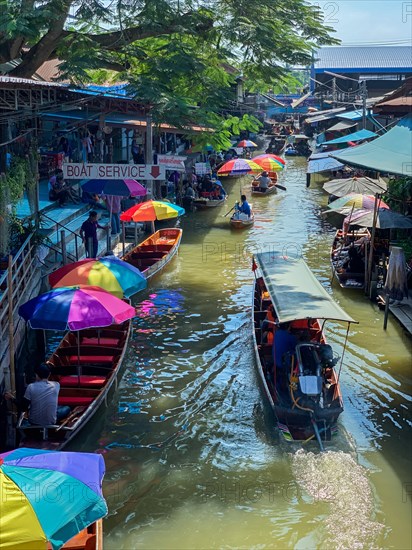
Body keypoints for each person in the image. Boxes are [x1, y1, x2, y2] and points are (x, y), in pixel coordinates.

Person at [4, 364, 70, 426]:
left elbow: (23, 408)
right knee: (67, 408)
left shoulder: (31, 387)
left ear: (36, 375)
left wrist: (12, 398)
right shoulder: (56, 385)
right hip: (51, 422)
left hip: (34, 421)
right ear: (49, 374)